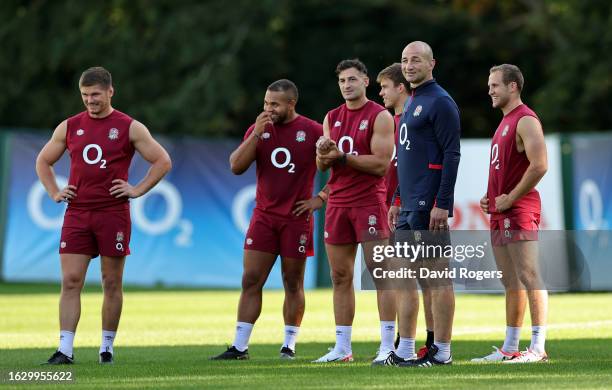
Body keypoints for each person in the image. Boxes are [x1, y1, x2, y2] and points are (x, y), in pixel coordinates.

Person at [36, 66, 172, 364]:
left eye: (95, 94)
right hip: (77, 213)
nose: (90, 100)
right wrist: (54, 192)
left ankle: (106, 347)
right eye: (85, 95)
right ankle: (65, 350)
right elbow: (43, 161)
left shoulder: (129, 127)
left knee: (111, 282)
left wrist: (137, 189)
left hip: (113, 213)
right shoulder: (69, 126)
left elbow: (162, 160)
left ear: (110, 91)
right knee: (71, 281)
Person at [210, 79, 324, 360]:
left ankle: (289, 345)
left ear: (291, 104)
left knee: (292, 282)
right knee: (250, 279)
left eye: (274, 104)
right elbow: (236, 166)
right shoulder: (258, 129)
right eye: (265, 103)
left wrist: (319, 199)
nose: (268, 109)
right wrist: (255, 135)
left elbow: (342, 171)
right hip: (264, 217)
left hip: (296, 219)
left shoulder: (313, 131)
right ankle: (239, 347)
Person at [313, 59, 395, 363]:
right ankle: (342, 348)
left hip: (369, 202)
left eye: (352, 79)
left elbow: (381, 164)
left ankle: (387, 346)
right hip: (338, 203)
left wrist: (342, 157)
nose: (346, 85)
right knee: (339, 276)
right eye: (342, 81)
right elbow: (323, 165)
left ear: (365, 81)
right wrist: (323, 154)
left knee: (381, 275)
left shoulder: (380, 116)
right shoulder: (331, 117)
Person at [387, 41, 461, 367]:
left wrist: (442, 203)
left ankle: (441, 351)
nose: (409, 64)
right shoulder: (413, 100)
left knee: (436, 278)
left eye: (416, 59)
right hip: (408, 206)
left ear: (432, 63)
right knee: (403, 278)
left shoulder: (441, 102)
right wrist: (397, 198)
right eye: (404, 60)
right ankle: (405, 348)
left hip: (428, 204)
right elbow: (408, 157)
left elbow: (451, 155)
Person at [472, 64, 548, 363]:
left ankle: (538, 348)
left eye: (495, 85)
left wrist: (511, 198)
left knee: (530, 275)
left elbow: (539, 165)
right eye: (489, 85)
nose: (490, 90)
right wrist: (490, 198)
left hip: (519, 209)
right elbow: (507, 169)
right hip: (501, 211)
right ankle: (510, 348)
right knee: (510, 281)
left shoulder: (525, 120)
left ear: (513, 86)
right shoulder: (505, 122)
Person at [376, 63, 435, 364]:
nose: (381, 93)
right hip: (397, 206)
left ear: (400, 88)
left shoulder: (412, 119)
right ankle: (409, 341)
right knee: (408, 277)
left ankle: (424, 343)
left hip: (415, 208)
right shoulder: (395, 120)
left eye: (385, 87)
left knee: (418, 277)